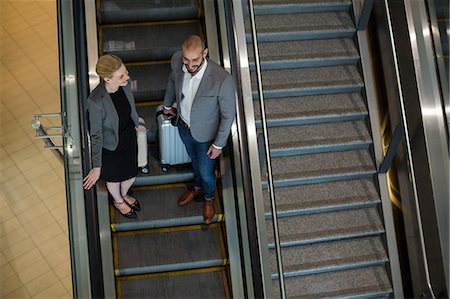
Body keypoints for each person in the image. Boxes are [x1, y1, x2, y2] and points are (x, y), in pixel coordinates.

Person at [163, 35, 236, 224]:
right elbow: (173, 80)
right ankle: (197, 187)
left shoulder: (222, 79)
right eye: (186, 59)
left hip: (207, 137)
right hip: (184, 126)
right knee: (193, 160)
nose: (189, 64)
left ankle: (209, 198)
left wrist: (219, 144)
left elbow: (228, 116)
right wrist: (167, 104)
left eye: (195, 60)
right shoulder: (177, 60)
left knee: (206, 172)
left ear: (205, 53)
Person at [83, 54, 141, 219]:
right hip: (111, 147)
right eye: (121, 76)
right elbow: (96, 134)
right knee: (114, 179)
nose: (127, 77)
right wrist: (97, 165)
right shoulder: (95, 101)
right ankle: (118, 200)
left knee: (130, 174)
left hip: (128, 137)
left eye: (126, 72)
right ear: (107, 79)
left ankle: (124, 194)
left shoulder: (124, 85)